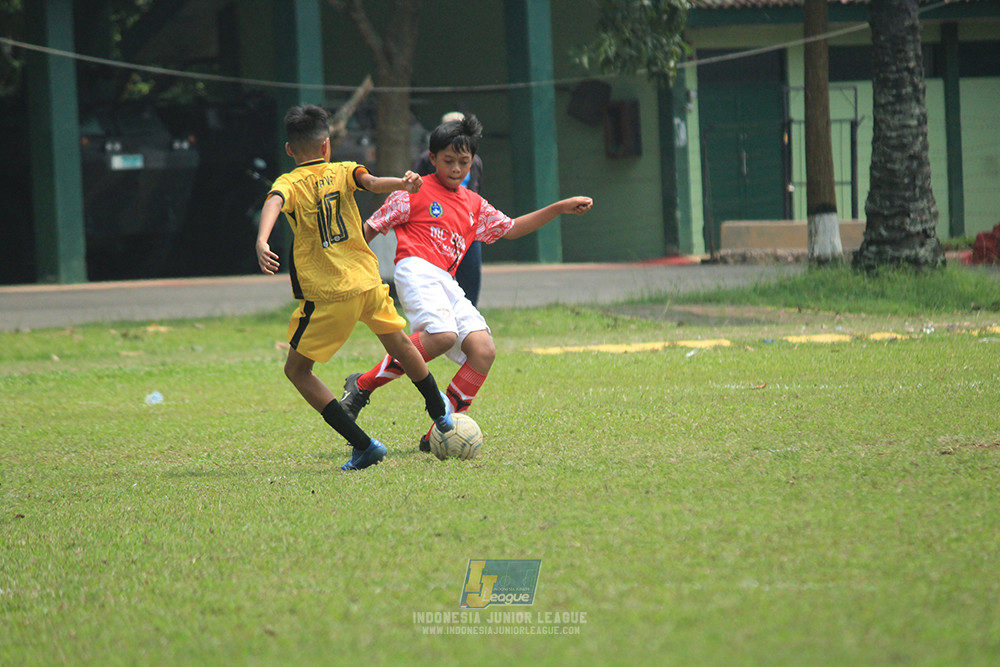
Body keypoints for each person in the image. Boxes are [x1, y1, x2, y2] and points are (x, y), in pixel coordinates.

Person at [341, 114, 592, 451]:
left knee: (483, 350)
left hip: (446, 280)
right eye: (448, 161)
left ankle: (438, 435)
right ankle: (363, 385)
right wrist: (350, 267)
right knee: (442, 336)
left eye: (464, 162)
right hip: (415, 269)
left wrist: (560, 207)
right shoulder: (412, 191)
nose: (457, 169)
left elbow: (513, 228)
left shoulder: (474, 204)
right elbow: (369, 228)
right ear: (432, 159)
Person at [256, 104, 453, 471]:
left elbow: (274, 201)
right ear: (327, 146)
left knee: (297, 371)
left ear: (289, 150)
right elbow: (375, 183)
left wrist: (261, 240)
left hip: (329, 295)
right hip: (367, 282)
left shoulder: (289, 182)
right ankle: (441, 413)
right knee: (400, 345)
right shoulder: (345, 170)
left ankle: (364, 445)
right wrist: (404, 183)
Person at [412, 111, 484, 306]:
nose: (456, 168)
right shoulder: (426, 161)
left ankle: (469, 316)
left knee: (470, 276)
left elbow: (477, 192)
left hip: (467, 228)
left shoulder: (475, 162)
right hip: (437, 228)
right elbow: (415, 192)